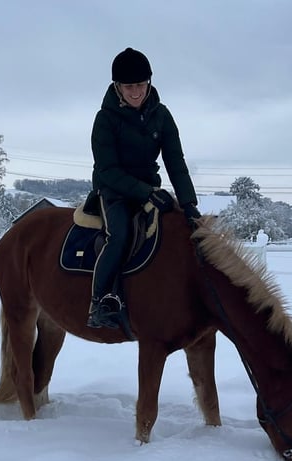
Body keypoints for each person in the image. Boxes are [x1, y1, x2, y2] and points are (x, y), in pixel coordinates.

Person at [85, 47, 202, 329]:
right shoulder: (104, 119)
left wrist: (188, 204)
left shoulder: (162, 116)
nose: (135, 92)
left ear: (149, 83)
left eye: (140, 85)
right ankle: (98, 303)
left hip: (150, 190)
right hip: (113, 190)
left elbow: (175, 161)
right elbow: (108, 170)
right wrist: (146, 193)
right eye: (129, 86)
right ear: (117, 86)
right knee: (120, 233)